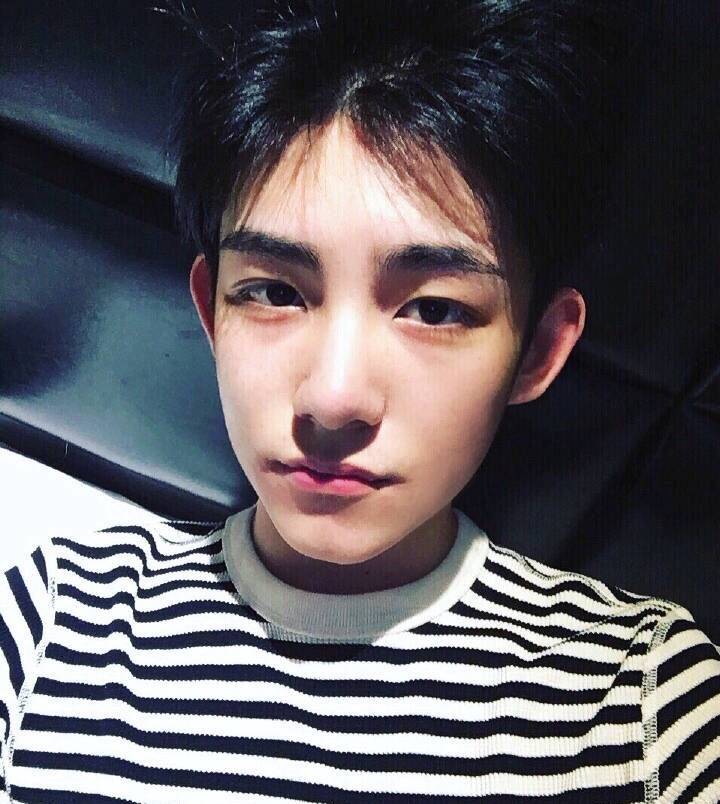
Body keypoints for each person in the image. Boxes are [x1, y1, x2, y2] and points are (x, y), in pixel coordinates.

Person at [2, 1, 719, 801]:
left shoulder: (643, 699)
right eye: (273, 292)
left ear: (540, 350)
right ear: (210, 311)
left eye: (435, 310)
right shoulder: (57, 618)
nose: (333, 398)